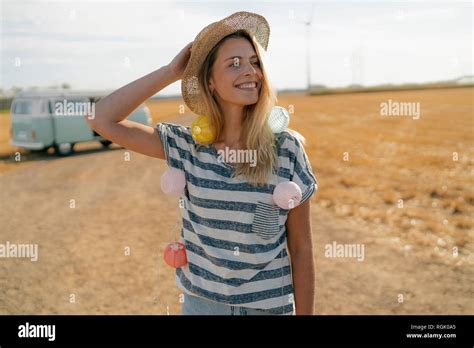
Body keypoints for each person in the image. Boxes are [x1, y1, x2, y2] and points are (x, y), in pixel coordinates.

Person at [85, 11, 318, 315]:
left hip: (268, 309)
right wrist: (170, 72)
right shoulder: (187, 147)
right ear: (209, 82)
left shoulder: (286, 148)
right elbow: (101, 118)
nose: (250, 71)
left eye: (254, 62)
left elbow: (301, 250)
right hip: (201, 307)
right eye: (234, 63)